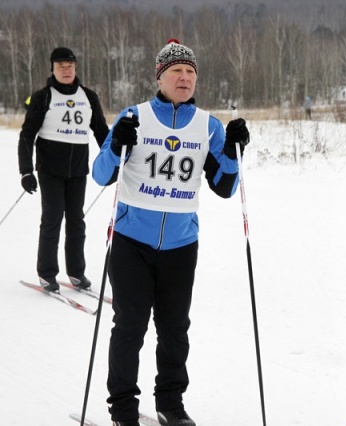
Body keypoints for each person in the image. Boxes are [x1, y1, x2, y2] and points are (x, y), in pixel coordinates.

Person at [92, 39, 250, 426]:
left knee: (175, 329)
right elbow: (100, 174)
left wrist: (233, 150)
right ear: (160, 77)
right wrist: (116, 143)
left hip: (181, 244)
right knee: (129, 326)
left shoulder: (208, 126)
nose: (184, 77)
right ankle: (123, 408)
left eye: (191, 72)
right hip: (132, 240)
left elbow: (224, 186)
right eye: (176, 71)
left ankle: (170, 403)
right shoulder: (135, 116)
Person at [18, 46, 110, 292]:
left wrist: (112, 161)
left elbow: (101, 132)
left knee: (77, 221)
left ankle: (77, 273)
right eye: (61, 66)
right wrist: (26, 171)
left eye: (70, 65)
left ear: (75, 67)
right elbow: (27, 136)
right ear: (53, 69)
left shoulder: (89, 97)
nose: (66, 70)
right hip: (50, 170)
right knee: (52, 220)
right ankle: (47, 273)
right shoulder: (43, 97)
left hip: (78, 171)